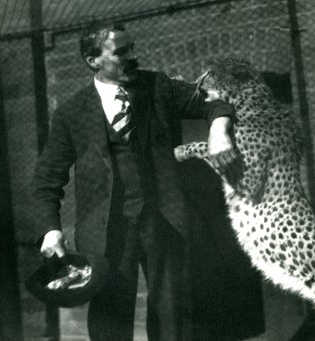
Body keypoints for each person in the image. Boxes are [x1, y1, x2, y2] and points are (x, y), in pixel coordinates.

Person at [30, 22, 236, 341]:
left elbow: (214, 102)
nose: (133, 56)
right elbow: (46, 178)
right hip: (106, 230)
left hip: (165, 220)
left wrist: (219, 130)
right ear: (93, 59)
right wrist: (50, 229)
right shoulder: (72, 113)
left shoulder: (160, 87)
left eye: (132, 48)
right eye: (121, 52)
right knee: (109, 320)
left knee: (173, 317)